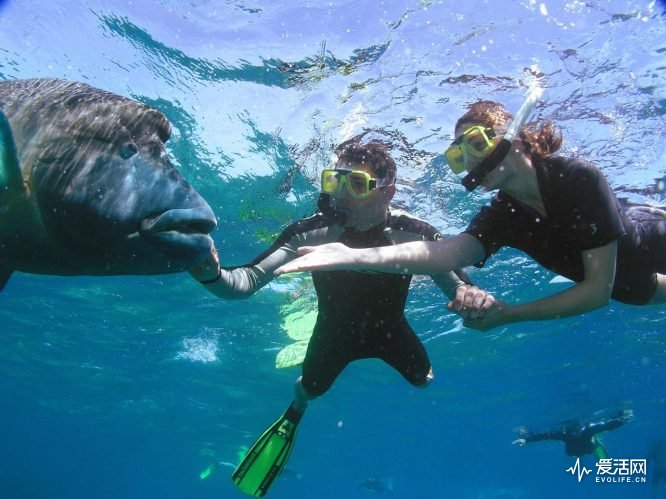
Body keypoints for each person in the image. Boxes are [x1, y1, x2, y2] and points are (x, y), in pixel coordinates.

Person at [189, 134, 492, 494]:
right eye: (334, 180)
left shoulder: (413, 233)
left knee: (425, 380)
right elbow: (243, 283)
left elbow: (456, 284)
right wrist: (208, 272)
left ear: (387, 192)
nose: (341, 194)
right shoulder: (312, 231)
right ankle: (295, 410)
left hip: (390, 330)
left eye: (358, 184)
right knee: (309, 391)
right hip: (333, 332)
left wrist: (468, 298)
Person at [274, 99, 666, 331]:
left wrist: (510, 315)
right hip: (630, 289)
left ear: (518, 136)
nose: (472, 160)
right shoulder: (502, 216)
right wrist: (353, 255)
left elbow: (596, 292)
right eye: (459, 154)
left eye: (477, 143)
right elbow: (442, 254)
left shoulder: (576, 177)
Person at [512, 409, 633, 459]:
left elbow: (546, 435)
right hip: (586, 448)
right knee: (595, 439)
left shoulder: (563, 433)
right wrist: (624, 418)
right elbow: (608, 425)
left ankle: (596, 443)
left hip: (573, 453)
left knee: (592, 440)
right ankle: (597, 443)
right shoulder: (587, 430)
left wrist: (527, 440)